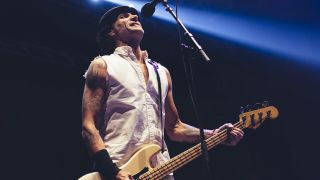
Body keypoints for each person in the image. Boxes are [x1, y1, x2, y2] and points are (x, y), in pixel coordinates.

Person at [81, 6, 244, 180]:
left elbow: (175, 128)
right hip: (118, 167)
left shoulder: (161, 72)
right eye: (124, 16)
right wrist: (112, 171)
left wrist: (214, 134)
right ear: (110, 32)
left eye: (134, 15)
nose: (134, 17)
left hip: (160, 170)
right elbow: (89, 126)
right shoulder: (103, 65)